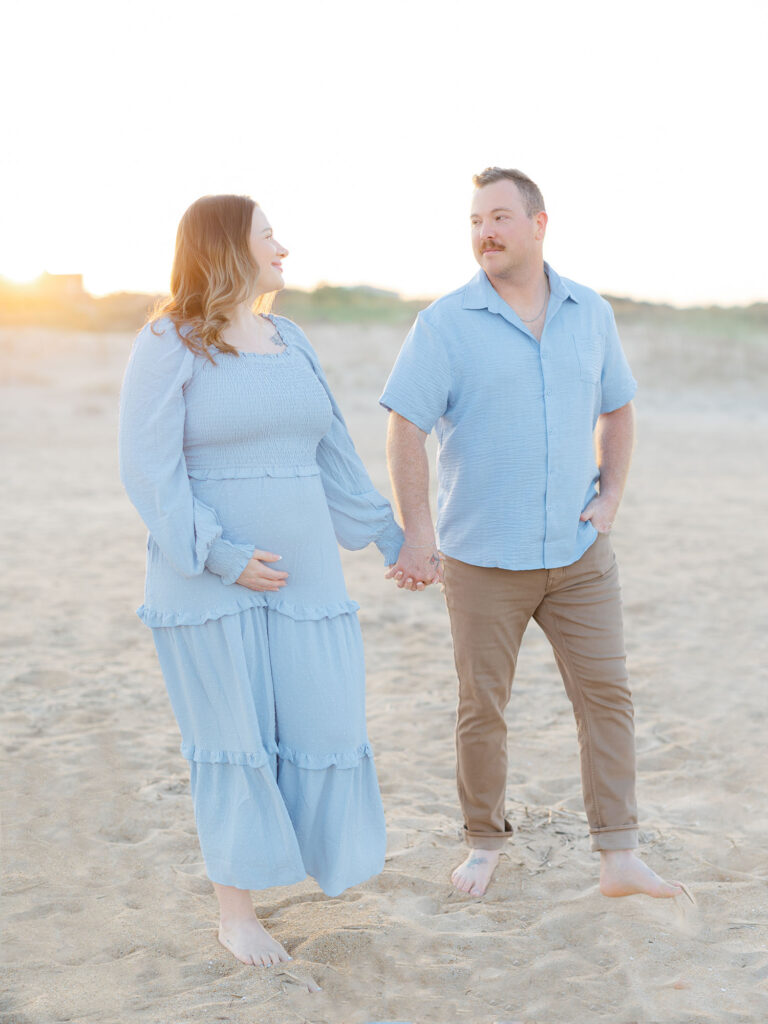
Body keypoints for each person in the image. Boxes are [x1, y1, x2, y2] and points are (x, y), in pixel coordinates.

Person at [380, 167, 684, 900]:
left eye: (499, 217)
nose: (485, 231)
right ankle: (484, 842)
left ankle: (619, 854)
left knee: (607, 696)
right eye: (476, 221)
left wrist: (611, 495)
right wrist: (417, 533)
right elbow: (404, 427)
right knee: (482, 708)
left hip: (579, 554)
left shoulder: (591, 313)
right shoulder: (446, 322)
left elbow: (619, 408)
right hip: (482, 558)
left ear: (538, 224)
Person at [119, 194, 403, 971]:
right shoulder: (168, 340)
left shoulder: (292, 336)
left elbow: (334, 450)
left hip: (306, 577)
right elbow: (148, 468)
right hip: (208, 581)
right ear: (226, 249)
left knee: (322, 724)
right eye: (269, 237)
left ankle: (295, 867)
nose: (285, 248)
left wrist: (391, 537)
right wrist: (221, 554)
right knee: (234, 742)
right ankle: (235, 914)